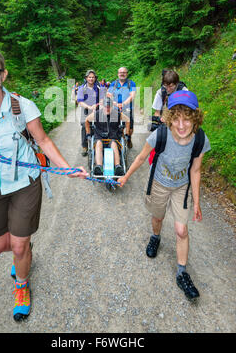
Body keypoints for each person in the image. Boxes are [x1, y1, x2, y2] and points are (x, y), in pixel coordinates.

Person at [0, 45, 88, 322]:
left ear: (4, 73)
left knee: (19, 245)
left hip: (25, 184)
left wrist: (67, 168)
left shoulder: (22, 106)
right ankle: (23, 249)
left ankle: (22, 285)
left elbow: (44, 141)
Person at [118, 91, 211, 300]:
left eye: (186, 119)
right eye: (176, 118)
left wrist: (196, 202)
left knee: (181, 230)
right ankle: (156, 237)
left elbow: (195, 170)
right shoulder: (159, 135)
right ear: (169, 118)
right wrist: (125, 176)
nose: (181, 125)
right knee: (157, 218)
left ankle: (181, 272)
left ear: (194, 118)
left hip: (181, 187)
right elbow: (142, 158)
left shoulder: (200, 139)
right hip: (159, 183)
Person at [85, 95, 130, 176]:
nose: (107, 109)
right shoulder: (97, 114)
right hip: (99, 137)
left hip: (112, 137)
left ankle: (117, 166)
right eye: (106, 107)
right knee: (98, 144)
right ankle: (99, 166)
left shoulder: (117, 114)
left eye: (109, 107)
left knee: (113, 144)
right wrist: (88, 133)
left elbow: (127, 120)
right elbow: (87, 120)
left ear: (112, 106)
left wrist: (127, 134)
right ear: (103, 106)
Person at [77, 69, 106, 156]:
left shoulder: (98, 88)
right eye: (89, 77)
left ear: (95, 78)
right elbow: (80, 101)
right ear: (86, 78)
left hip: (96, 109)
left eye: (93, 77)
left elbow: (101, 98)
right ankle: (85, 146)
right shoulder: (82, 88)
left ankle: (99, 143)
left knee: (99, 124)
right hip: (86, 110)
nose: (91, 79)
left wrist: (99, 105)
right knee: (84, 126)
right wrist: (89, 107)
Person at [107, 67, 136, 149]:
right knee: (118, 127)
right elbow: (109, 94)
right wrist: (115, 103)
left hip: (128, 108)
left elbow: (132, 96)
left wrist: (123, 104)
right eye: (120, 72)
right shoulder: (114, 83)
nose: (122, 74)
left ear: (127, 73)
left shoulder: (131, 83)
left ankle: (129, 138)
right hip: (116, 109)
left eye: (124, 72)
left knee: (130, 128)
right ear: (118, 74)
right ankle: (121, 140)